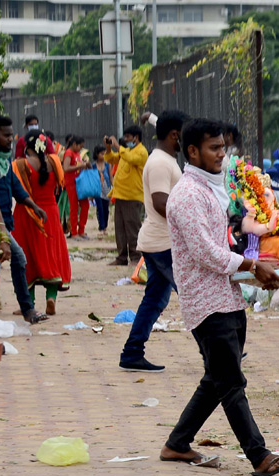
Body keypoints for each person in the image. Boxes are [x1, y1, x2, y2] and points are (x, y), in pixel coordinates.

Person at [160, 118, 279, 476]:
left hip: (227, 295)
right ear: (193, 151)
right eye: (214, 148)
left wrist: (255, 269)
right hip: (206, 302)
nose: (222, 154)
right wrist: (253, 266)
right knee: (230, 381)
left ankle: (177, 443)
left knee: (218, 379)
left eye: (223, 147)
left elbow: (220, 247)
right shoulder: (188, 194)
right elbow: (206, 252)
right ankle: (260, 456)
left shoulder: (208, 188)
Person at [121, 109, 186, 373]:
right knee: (195, 297)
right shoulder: (160, 162)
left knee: (155, 300)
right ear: (174, 136)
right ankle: (218, 354)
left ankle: (132, 353)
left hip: (160, 241)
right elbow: (161, 202)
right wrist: (191, 215)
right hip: (163, 244)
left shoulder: (165, 158)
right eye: (185, 136)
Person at [0, 114, 50, 323]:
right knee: (17, 258)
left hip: (3, 223)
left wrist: (34, 206)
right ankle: (27, 310)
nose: (10, 139)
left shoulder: (4, 160)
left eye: (11, 135)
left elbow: (16, 188)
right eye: (5, 135)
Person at [11, 132, 72, 316]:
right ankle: (51, 297)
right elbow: (60, 185)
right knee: (51, 254)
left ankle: (29, 303)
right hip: (51, 213)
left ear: (27, 147)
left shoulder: (21, 165)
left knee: (27, 257)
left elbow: (16, 190)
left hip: (28, 213)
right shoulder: (55, 162)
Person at [105, 124, 148, 266]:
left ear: (136, 137)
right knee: (120, 228)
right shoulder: (127, 150)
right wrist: (109, 147)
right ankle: (122, 256)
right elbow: (112, 159)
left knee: (132, 227)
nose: (126, 139)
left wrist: (118, 146)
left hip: (132, 196)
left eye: (128, 137)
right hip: (121, 195)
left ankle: (136, 256)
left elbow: (131, 159)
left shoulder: (141, 152)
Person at [61, 136, 87, 238]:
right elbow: (66, 168)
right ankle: (74, 232)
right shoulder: (69, 153)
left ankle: (81, 230)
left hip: (79, 183)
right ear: (74, 144)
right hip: (71, 183)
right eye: (80, 146)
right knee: (74, 207)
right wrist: (80, 166)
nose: (81, 148)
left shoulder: (77, 153)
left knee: (85, 205)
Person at [91, 145, 113, 233]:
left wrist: (113, 188)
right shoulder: (93, 165)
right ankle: (101, 226)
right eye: (101, 154)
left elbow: (111, 177)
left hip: (106, 188)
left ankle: (105, 225)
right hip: (97, 189)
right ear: (97, 154)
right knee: (99, 207)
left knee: (105, 208)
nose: (103, 156)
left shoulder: (108, 165)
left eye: (104, 154)